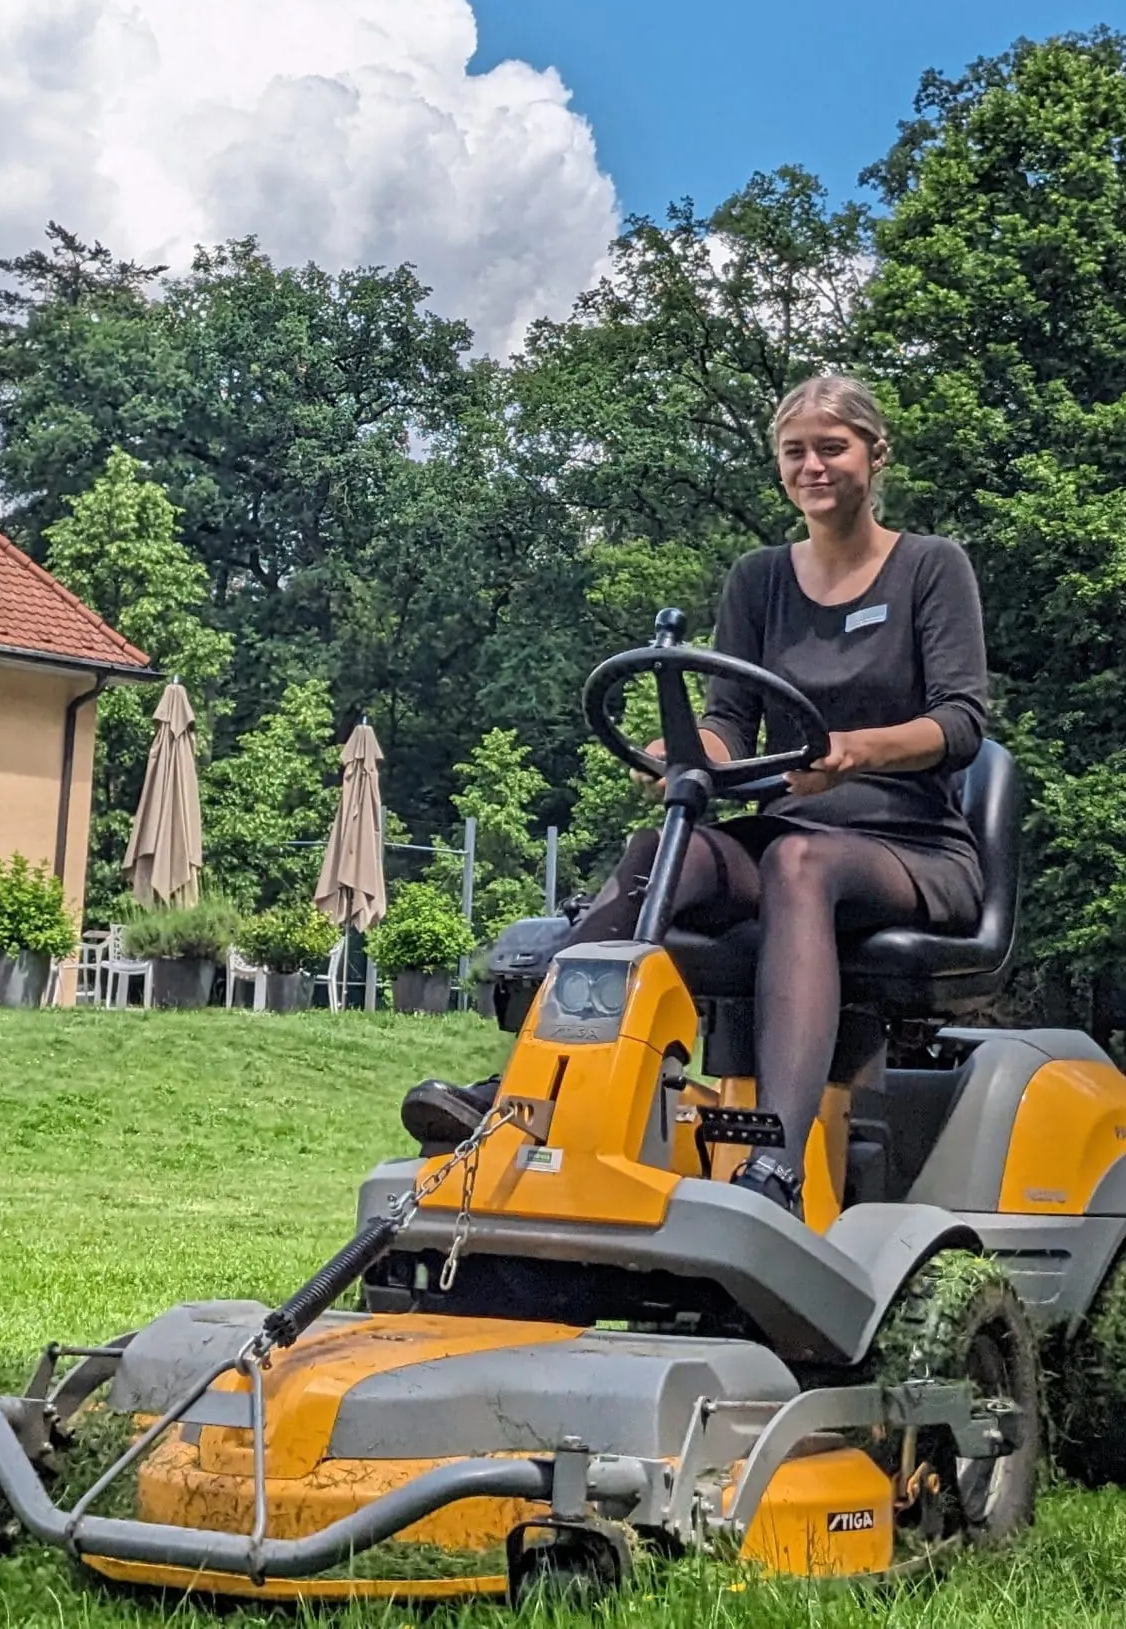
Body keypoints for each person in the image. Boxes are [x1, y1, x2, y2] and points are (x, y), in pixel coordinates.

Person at [401, 373, 989, 1216]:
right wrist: (680, 754)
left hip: (913, 841)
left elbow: (961, 722)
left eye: (833, 447)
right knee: (667, 853)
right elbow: (727, 725)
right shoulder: (758, 580)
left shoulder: (931, 568)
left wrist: (851, 754)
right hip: (793, 826)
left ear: (874, 454)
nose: (813, 466)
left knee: (795, 861)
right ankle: (521, 1096)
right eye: (796, 451)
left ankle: (776, 1164)